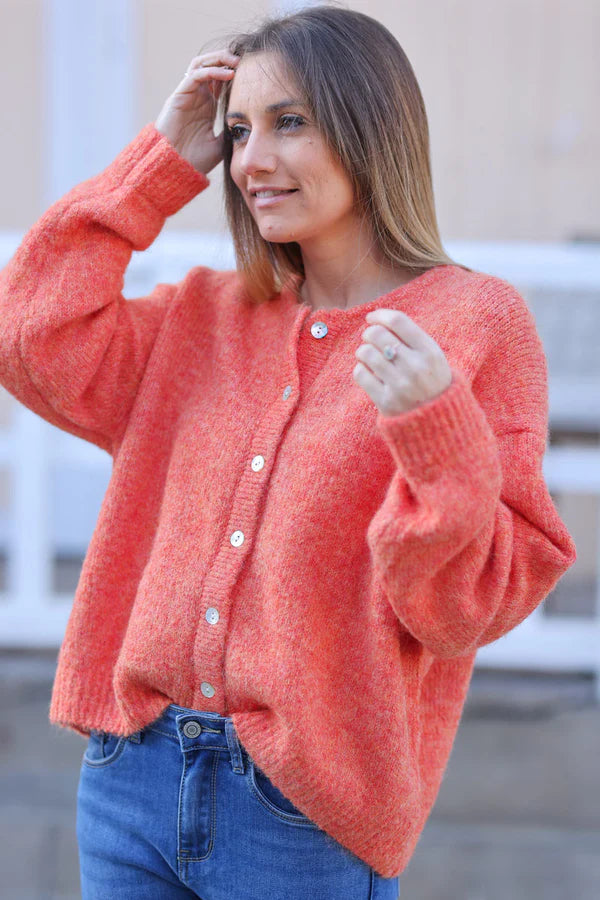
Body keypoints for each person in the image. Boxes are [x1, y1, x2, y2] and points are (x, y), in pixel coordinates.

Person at [0, 5, 576, 899]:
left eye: (289, 122)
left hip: (301, 812)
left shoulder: (474, 326)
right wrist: (159, 161)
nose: (251, 161)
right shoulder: (200, 317)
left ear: (370, 124)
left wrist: (435, 436)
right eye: (236, 132)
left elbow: (469, 608)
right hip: (129, 780)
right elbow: (29, 335)